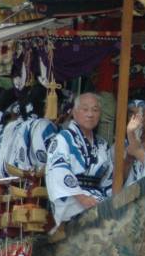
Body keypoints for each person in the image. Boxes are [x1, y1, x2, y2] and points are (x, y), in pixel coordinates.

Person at [46, 92, 113, 226]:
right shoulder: (63, 139)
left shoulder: (102, 144)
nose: (90, 114)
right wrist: (82, 198)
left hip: (97, 198)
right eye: (85, 109)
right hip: (72, 200)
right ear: (75, 113)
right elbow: (58, 171)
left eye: (95, 110)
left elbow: (108, 178)